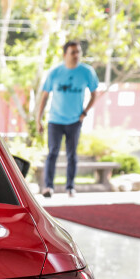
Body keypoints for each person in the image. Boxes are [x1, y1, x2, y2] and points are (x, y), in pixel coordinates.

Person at [35, 41, 100, 198]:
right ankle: (48, 187)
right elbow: (44, 96)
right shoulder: (55, 72)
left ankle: (70, 187)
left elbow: (94, 94)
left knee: (72, 154)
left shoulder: (87, 72)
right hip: (55, 120)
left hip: (74, 121)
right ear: (65, 55)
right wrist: (39, 119)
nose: (76, 55)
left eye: (78, 52)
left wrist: (84, 113)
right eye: (73, 52)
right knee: (53, 152)